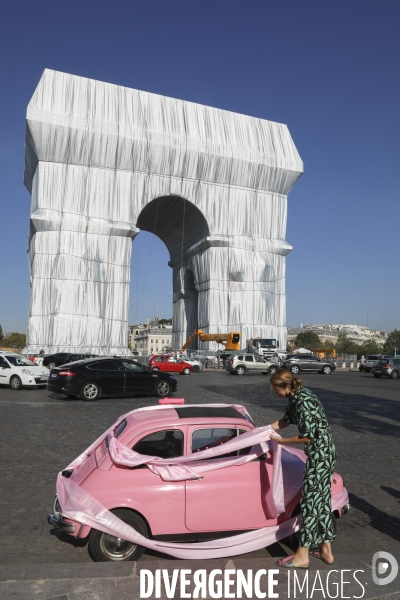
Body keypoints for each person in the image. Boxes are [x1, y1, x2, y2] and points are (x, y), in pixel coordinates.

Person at [269, 368, 336, 568]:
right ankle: (326, 550)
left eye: (276, 390)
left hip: (319, 456)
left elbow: (308, 436)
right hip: (324, 453)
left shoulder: (302, 401)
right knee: (323, 502)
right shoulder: (297, 397)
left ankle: (302, 555)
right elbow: (284, 421)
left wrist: (282, 442)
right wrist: (262, 430)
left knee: (309, 504)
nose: (275, 393)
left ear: (286, 386)